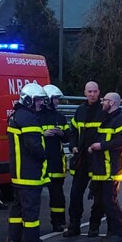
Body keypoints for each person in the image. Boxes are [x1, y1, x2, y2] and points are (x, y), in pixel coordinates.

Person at [6, 82, 53, 242]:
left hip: (18, 171)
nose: (40, 103)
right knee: (31, 209)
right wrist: (44, 156)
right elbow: (33, 145)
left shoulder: (16, 115)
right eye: (38, 100)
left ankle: (14, 239)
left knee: (18, 208)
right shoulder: (28, 117)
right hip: (29, 171)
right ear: (29, 100)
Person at [89, 91, 122, 242]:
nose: (102, 103)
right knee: (105, 202)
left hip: (112, 169)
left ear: (111, 103)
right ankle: (112, 232)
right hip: (102, 168)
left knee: (110, 202)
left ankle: (120, 233)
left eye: (104, 100)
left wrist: (101, 146)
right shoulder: (107, 119)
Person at [63, 80, 103, 238]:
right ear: (85, 93)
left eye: (94, 91)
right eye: (89, 92)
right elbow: (73, 131)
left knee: (98, 194)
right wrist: (72, 146)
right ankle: (74, 226)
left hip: (98, 159)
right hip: (82, 159)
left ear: (99, 92)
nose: (92, 94)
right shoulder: (80, 111)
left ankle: (94, 226)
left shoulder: (103, 110)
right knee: (75, 194)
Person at [41, 84, 70, 233]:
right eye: (56, 99)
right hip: (40, 162)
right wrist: (43, 134)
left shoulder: (60, 117)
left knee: (57, 196)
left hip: (56, 162)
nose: (58, 101)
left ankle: (58, 222)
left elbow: (68, 137)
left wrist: (61, 134)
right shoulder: (35, 116)